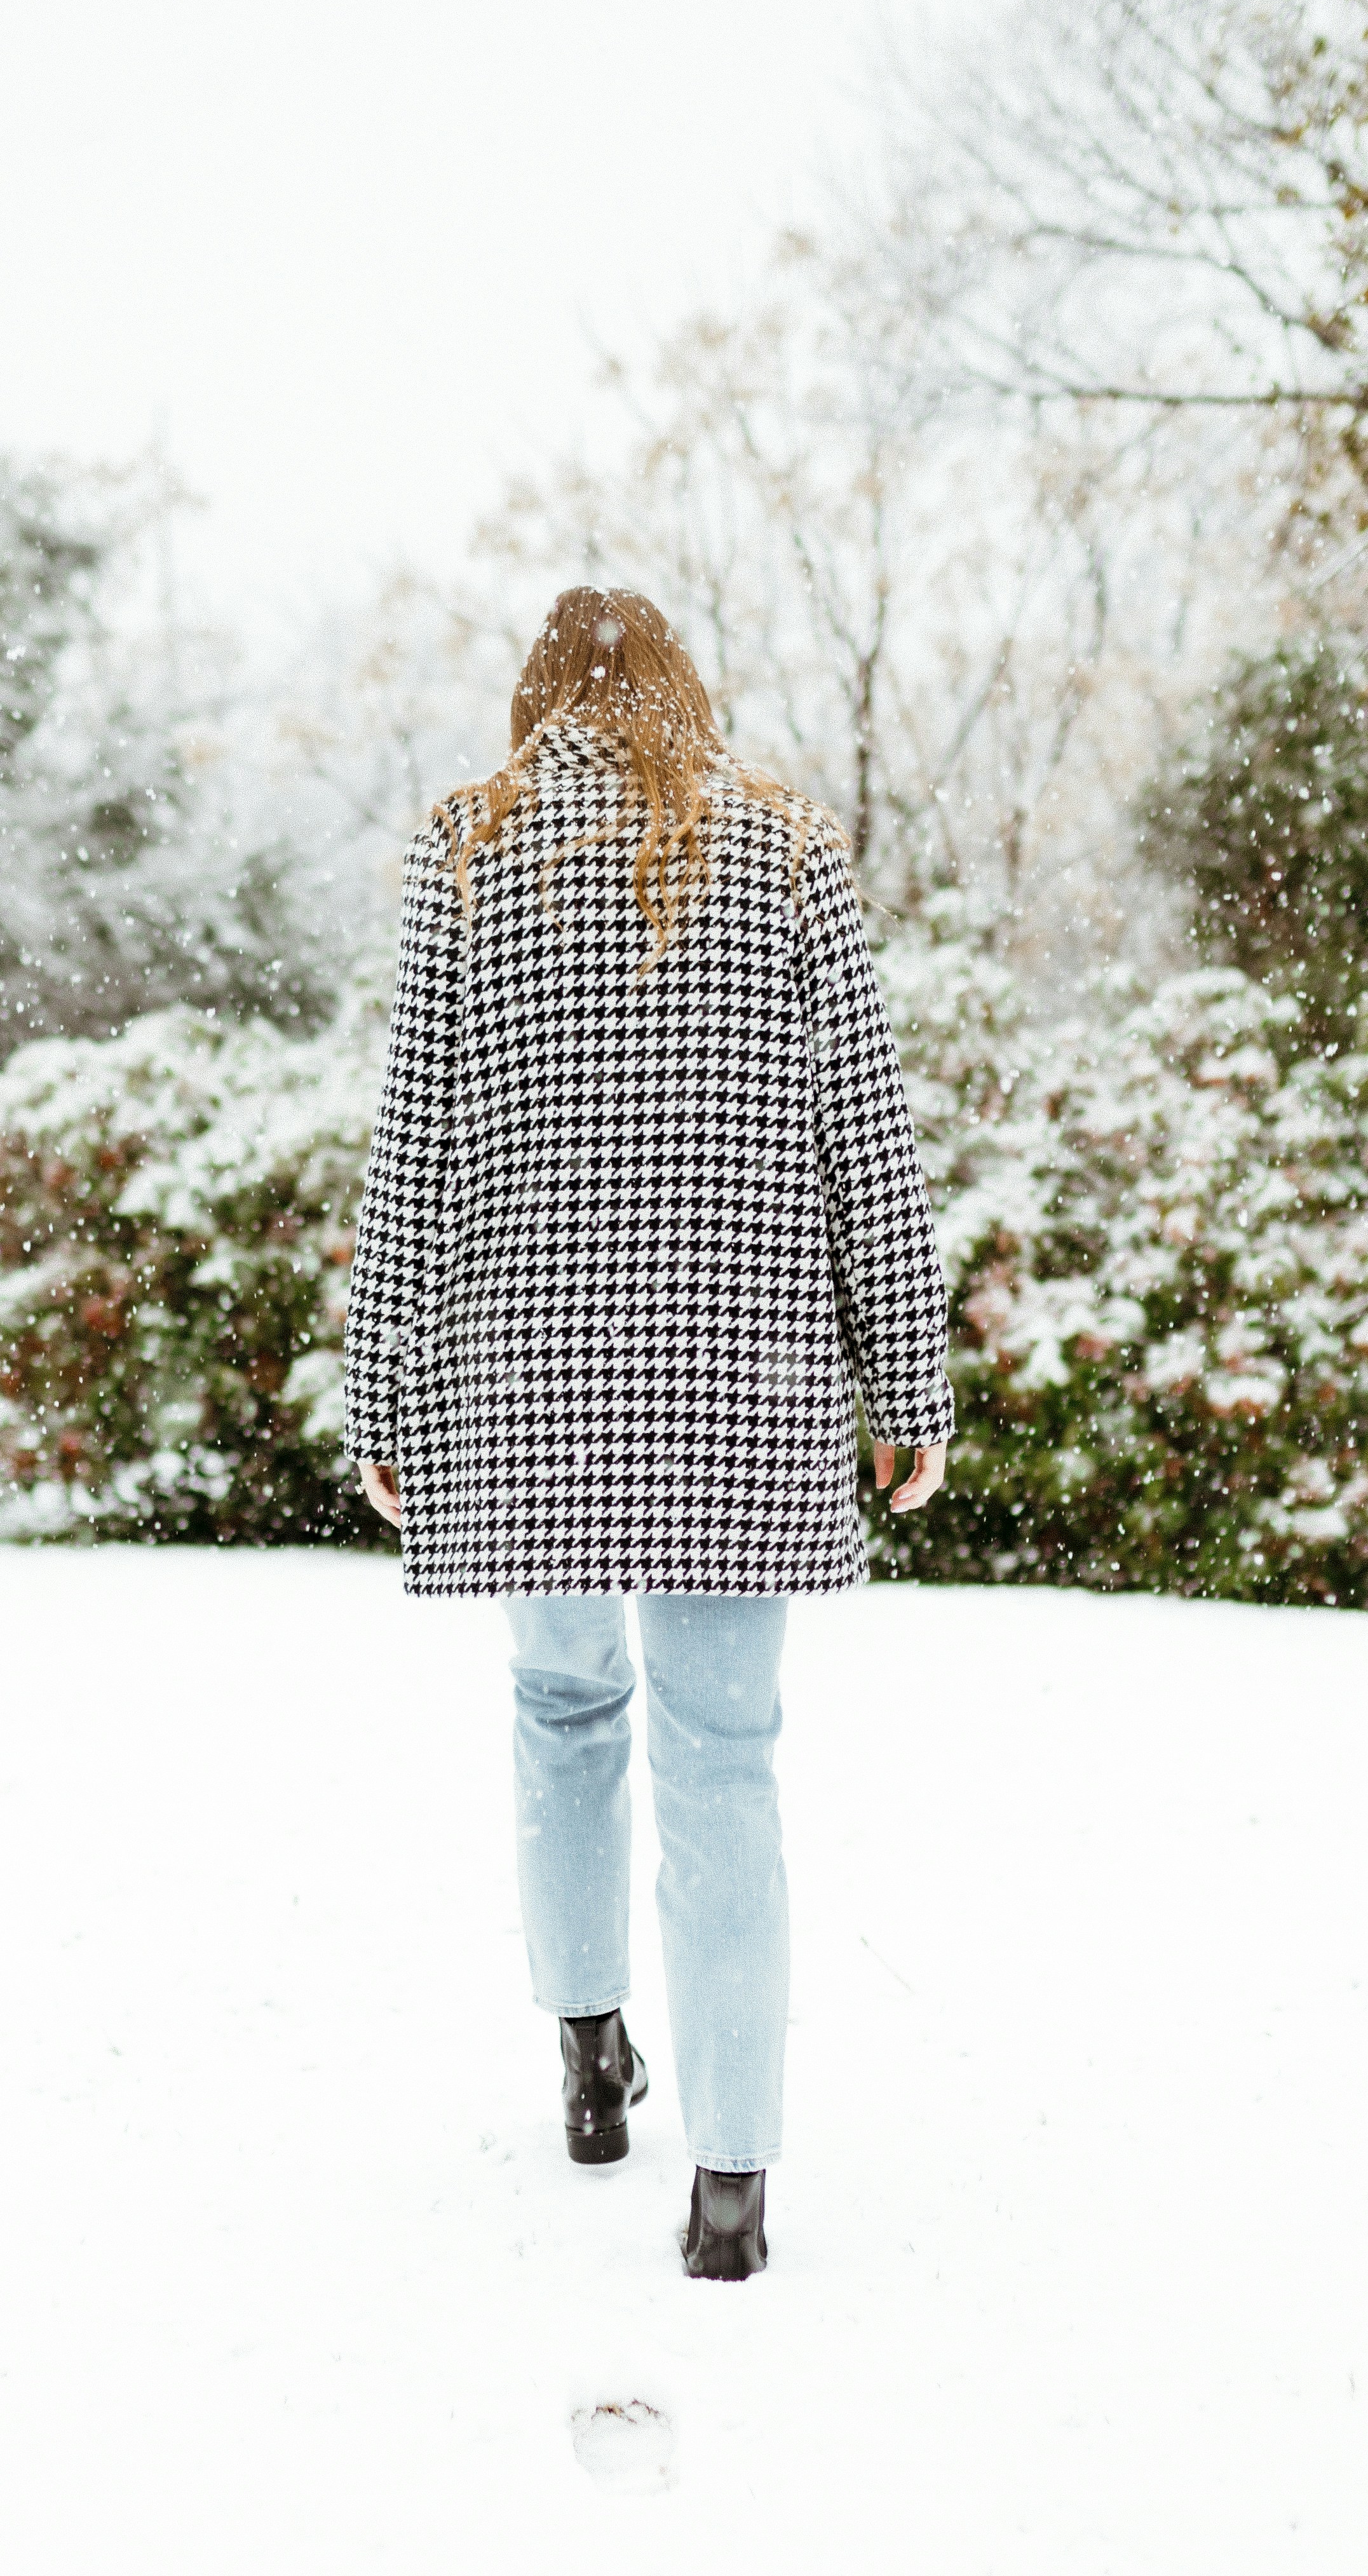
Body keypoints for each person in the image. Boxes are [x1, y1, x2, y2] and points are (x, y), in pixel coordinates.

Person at [342, 587, 949, 2280]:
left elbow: (416, 1144)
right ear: (688, 689)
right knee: (723, 1759)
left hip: (525, 1379)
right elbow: (866, 1140)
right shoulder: (790, 849)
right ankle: (734, 2186)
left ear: (538, 701)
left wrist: (381, 1385)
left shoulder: (468, 853)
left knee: (560, 1712)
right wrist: (905, 1379)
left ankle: (589, 2059)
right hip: (742, 1379)